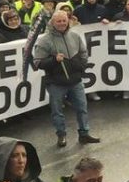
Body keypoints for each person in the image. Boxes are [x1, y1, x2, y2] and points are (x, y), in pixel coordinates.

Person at [32, 9, 100, 147]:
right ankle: (61, 135)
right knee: (57, 111)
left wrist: (81, 67)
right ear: (52, 22)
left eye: (64, 20)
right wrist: (53, 60)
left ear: (68, 21)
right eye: (59, 21)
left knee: (82, 108)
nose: (62, 23)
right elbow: (37, 62)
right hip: (56, 83)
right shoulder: (45, 40)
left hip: (75, 80)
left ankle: (84, 133)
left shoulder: (75, 36)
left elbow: (83, 53)